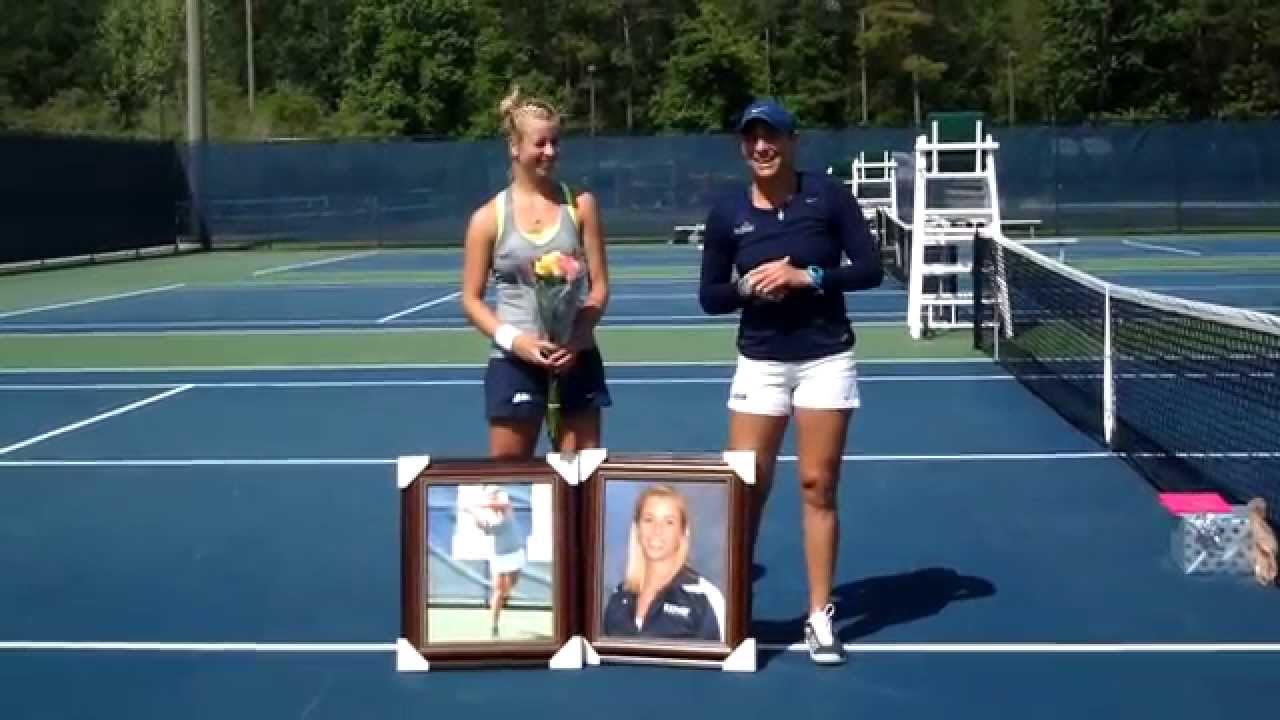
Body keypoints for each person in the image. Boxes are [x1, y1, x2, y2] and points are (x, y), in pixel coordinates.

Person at [697, 98, 884, 666]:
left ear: (791, 141)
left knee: (816, 485)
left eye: (771, 136)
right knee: (746, 487)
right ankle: (733, 607)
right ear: (742, 147)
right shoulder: (727, 212)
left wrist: (807, 276)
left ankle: (820, 615)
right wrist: (747, 288)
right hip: (760, 363)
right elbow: (711, 296)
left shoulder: (828, 197)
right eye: (752, 138)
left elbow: (870, 269)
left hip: (825, 359)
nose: (762, 147)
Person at [460, 85, 611, 458]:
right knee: (510, 479)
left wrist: (577, 340)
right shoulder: (487, 219)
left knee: (582, 477)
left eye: (555, 143)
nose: (550, 152)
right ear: (515, 147)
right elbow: (471, 300)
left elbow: (599, 288)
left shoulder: (581, 205)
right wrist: (518, 343)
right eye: (540, 143)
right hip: (514, 364)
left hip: (576, 359)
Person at [601, 483, 726, 642]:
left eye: (669, 522)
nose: (657, 530)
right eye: (649, 520)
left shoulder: (703, 599)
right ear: (637, 528)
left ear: (683, 532)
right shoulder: (618, 597)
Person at [462, 485, 525, 638]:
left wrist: (474, 506)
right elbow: (483, 527)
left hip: (515, 553)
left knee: (510, 587)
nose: (495, 497)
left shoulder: (507, 507)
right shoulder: (487, 515)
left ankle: (506, 595)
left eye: (496, 494)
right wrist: (473, 513)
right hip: (499, 557)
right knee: (498, 591)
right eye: (492, 495)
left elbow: (502, 504)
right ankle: (494, 626)